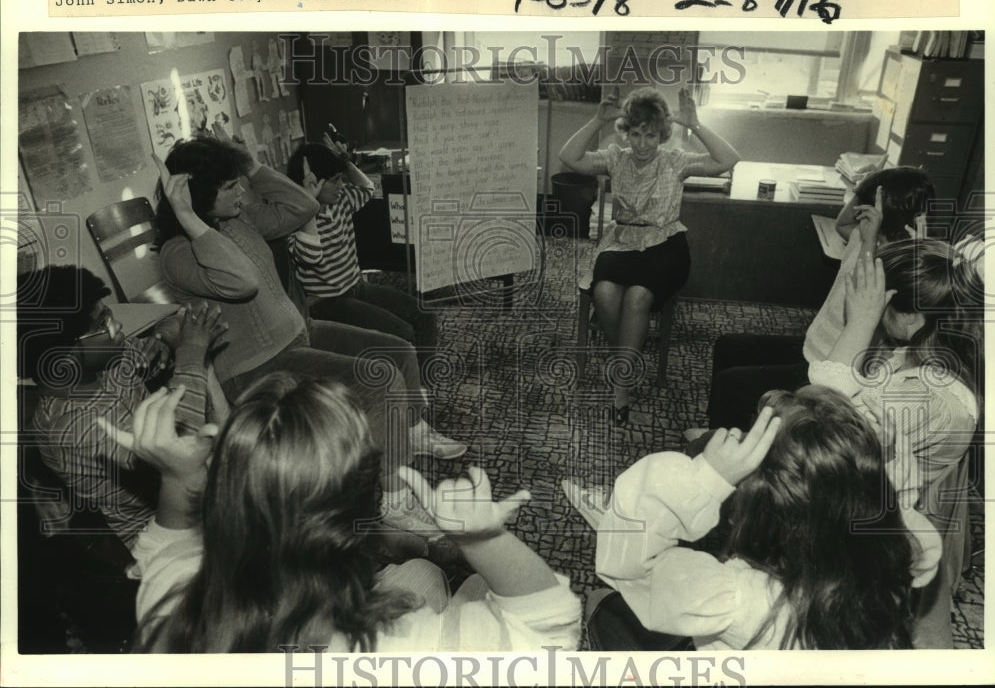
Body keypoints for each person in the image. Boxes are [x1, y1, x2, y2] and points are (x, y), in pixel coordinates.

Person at [101, 373, 582, 653]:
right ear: (363, 516)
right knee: (468, 585)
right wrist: (482, 539)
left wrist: (176, 477)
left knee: (420, 573)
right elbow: (550, 631)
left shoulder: (172, 604)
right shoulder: (398, 647)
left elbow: (160, 552)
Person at [153, 136, 466, 535]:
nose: (241, 191)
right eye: (230, 186)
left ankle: (412, 431)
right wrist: (189, 218)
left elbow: (306, 206)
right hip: (256, 365)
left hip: (299, 333)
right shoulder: (178, 252)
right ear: (197, 194)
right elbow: (243, 282)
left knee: (399, 349)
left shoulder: (236, 219)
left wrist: (251, 165)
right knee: (380, 382)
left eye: (239, 182)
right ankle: (395, 502)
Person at [586, 387, 942, 650]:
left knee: (600, 604)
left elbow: (635, 568)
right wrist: (878, 463)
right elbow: (897, 515)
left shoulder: (741, 598)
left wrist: (706, 478)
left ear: (761, 506)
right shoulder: (897, 559)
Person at [809, 240, 982, 648]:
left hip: (871, 535)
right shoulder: (924, 357)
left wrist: (858, 326)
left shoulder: (924, 396)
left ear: (911, 319)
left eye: (878, 307)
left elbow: (814, 420)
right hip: (880, 502)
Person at [705, 166, 936, 434]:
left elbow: (864, 289)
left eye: (865, 203)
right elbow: (841, 224)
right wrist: (860, 188)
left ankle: (729, 449)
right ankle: (729, 429)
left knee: (730, 384)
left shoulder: (893, 264)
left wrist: (871, 237)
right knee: (728, 346)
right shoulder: (861, 237)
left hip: (827, 365)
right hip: (812, 346)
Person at [559, 86, 740, 423]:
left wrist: (696, 124)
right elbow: (568, 157)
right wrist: (596, 121)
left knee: (638, 297)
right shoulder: (616, 158)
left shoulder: (676, 161)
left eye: (651, 136)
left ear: (662, 135)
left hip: (665, 245)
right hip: (622, 241)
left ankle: (621, 385)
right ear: (626, 132)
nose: (642, 145)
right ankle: (625, 357)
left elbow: (728, 160)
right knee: (605, 291)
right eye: (637, 134)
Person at [16, 264, 225, 556]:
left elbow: (172, 328)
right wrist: (190, 353)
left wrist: (164, 337)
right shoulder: (73, 428)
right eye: (103, 323)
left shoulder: (108, 364)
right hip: (165, 541)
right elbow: (179, 452)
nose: (117, 327)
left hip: (196, 497)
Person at [285, 133, 439, 390]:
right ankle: (410, 393)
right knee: (403, 333)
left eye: (341, 179)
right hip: (329, 303)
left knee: (425, 315)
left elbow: (368, 188)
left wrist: (344, 162)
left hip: (356, 287)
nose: (341, 185)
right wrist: (308, 205)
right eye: (334, 181)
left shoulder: (341, 200)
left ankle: (422, 385)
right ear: (311, 184)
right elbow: (311, 255)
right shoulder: (294, 221)